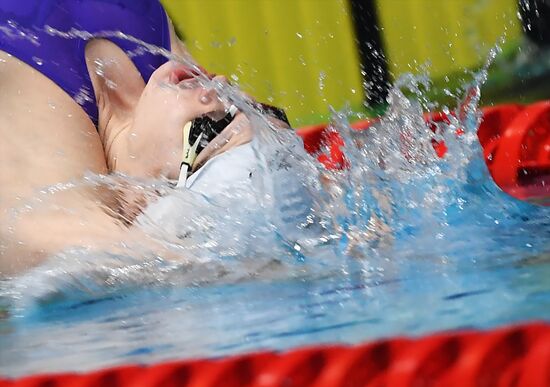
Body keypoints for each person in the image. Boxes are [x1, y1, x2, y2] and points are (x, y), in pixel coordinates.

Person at [0, 0, 287, 276]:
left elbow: (41, 243)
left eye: (205, 128)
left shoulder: (45, 131)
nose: (214, 89)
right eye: (236, 107)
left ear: (149, 198)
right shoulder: (155, 61)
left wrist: (237, 272)